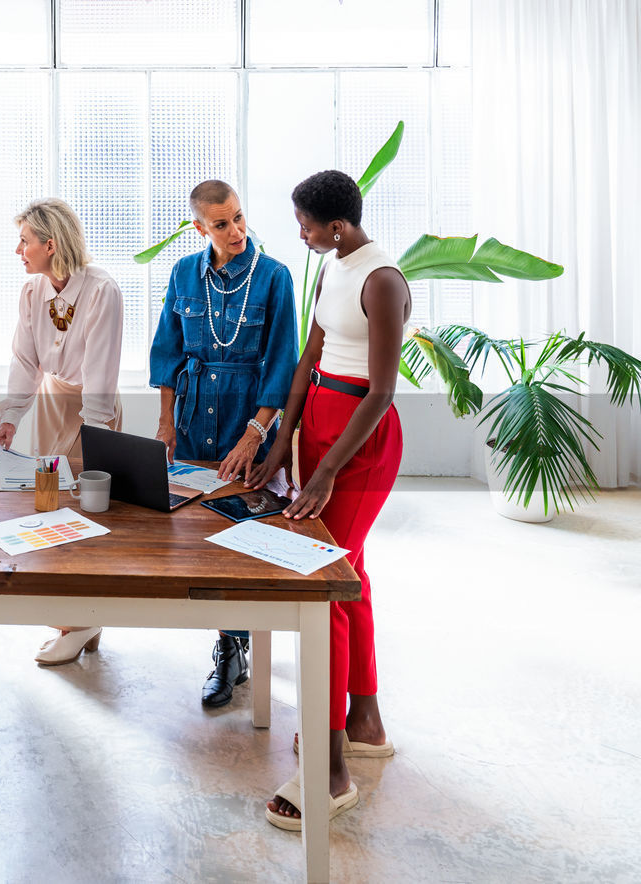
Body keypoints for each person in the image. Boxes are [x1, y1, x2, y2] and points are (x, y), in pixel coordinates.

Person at [248, 170, 408, 830]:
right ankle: (363, 720)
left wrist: (324, 475)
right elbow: (311, 358)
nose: (301, 233)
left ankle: (332, 771)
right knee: (352, 573)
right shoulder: (331, 266)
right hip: (317, 422)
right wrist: (279, 444)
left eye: (307, 224)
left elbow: (380, 392)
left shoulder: (382, 281)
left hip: (359, 440)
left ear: (338, 225)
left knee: (326, 585)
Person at [149, 180, 298, 709]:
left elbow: (283, 365)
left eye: (238, 218)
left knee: (240, 543)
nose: (235, 232)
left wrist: (254, 436)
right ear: (200, 227)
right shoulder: (183, 273)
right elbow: (166, 352)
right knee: (194, 538)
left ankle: (233, 649)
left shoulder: (275, 277)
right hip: (191, 422)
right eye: (221, 224)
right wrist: (166, 424)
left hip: (247, 421)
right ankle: (227, 640)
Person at [0, 197, 123, 665]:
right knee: (47, 511)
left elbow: (102, 370)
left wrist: (94, 435)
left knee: (83, 514)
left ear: (50, 243)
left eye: (25, 240)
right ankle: (76, 620)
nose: (18, 249)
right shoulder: (32, 291)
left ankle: (80, 619)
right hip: (51, 399)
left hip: (93, 407)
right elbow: (25, 361)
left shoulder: (102, 290)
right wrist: (10, 417)